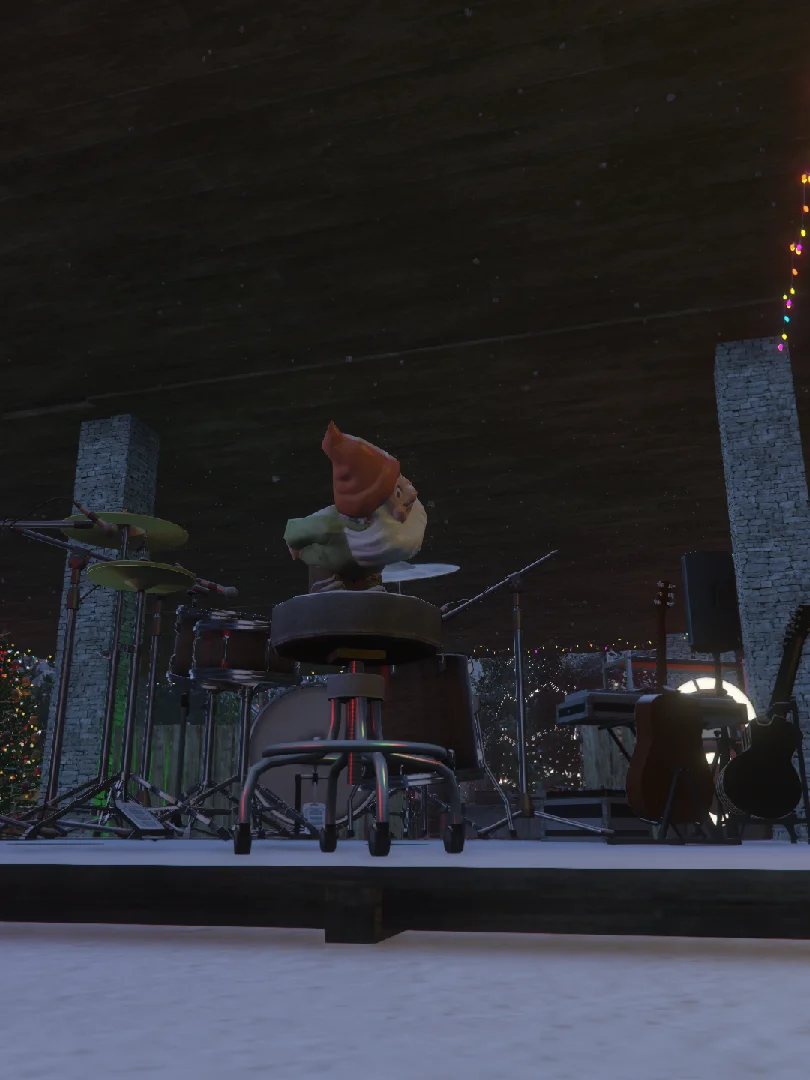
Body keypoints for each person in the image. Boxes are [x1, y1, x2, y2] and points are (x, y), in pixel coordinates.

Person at [283, 422, 427, 592]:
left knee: (369, 574)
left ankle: (369, 586)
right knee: (322, 564)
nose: (412, 492)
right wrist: (295, 544)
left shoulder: (385, 538)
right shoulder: (336, 524)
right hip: (332, 564)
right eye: (398, 492)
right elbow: (298, 529)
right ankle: (325, 586)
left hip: (365, 568)